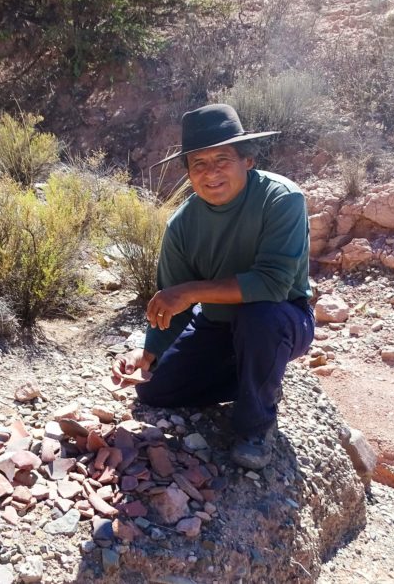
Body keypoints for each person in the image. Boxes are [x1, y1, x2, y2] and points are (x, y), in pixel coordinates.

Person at [111, 103, 314, 470]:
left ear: (247, 160)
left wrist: (191, 292)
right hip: (218, 324)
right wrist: (147, 353)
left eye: (222, 160)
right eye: (199, 164)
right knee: (154, 391)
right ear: (188, 173)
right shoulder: (182, 224)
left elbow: (272, 283)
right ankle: (254, 379)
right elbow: (172, 302)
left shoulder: (281, 199)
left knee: (260, 319)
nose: (211, 173)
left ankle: (255, 427)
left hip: (283, 317)